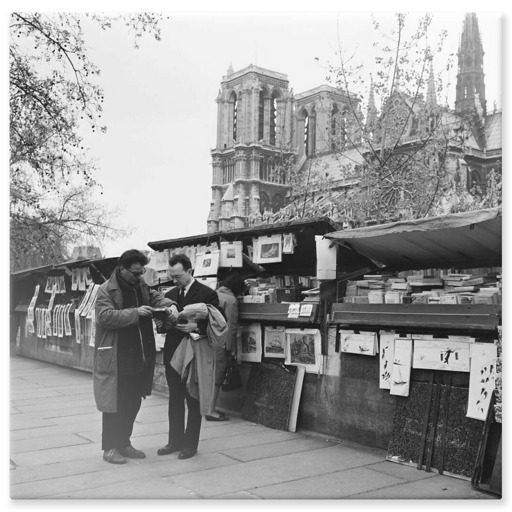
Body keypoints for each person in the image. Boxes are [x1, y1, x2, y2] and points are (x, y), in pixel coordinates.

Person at [93, 249, 178, 465]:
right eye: (136, 272)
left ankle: (124, 443)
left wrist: (170, 305)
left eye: (141, 272)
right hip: (117, 356)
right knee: (115, 404)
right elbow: (104, 317)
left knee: (132, 402)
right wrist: (135, 313)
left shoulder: (139, 286)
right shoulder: (106, 290)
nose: (140, 276)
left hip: (139, 355)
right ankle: (110, 447)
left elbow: (156, 297)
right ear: (122, 269)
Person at [157, 253, 219, 460]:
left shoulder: (208, 294)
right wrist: (164, 322)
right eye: (172, 276)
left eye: (178, 276)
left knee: (193, 397)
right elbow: (162, 326)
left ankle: (190, 444)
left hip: (194, 351)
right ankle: (174, 441)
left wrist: (197, 326)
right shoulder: (170, 294)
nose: (174, 281)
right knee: (174, 398)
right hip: (173, 351)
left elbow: (219, 322)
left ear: (190, 271)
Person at [206, 273, 246, 421]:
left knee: (208, 375)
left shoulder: (214, 294)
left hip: (207, 339)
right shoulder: (231, 300)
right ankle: (210, 410)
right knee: (217, 376)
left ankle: (206, 407)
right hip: (220, 342)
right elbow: (231, 328)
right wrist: (231, 349)